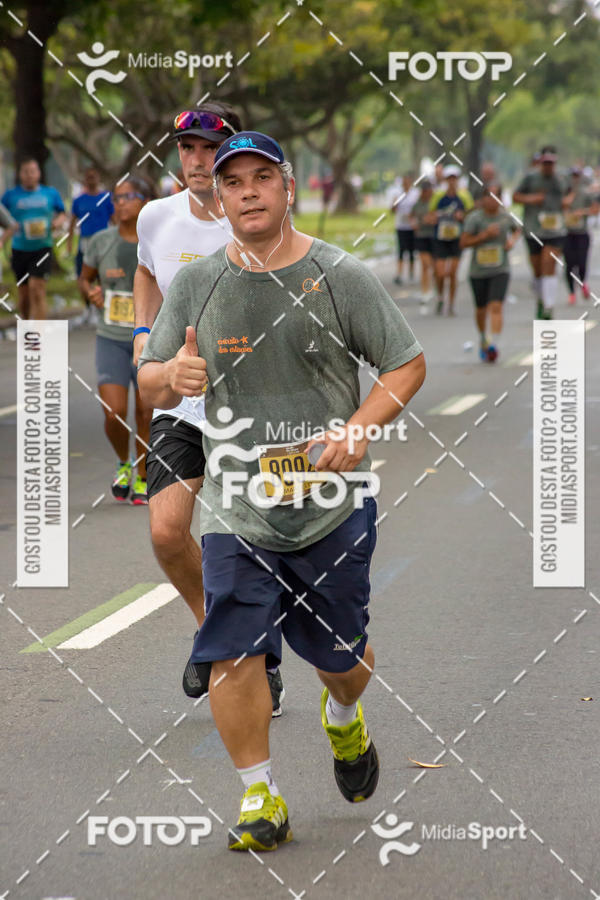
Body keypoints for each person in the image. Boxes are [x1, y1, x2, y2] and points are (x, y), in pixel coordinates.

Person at [138, 130, 426, 852]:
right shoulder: (198, 283)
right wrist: (171, 376)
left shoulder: (338, 274)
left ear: (286, 187)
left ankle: (343, 716)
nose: (247, 192)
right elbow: (147, 372)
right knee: (233, 645)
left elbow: (405, 364)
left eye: (261, 178)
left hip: (331, 502)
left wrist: (358, 429)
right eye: (233, 182)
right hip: (237, 503)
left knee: (343, 665)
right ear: (220, 196)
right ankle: (260, 796)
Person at [132, 103, 285, 714]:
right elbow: (147, 272)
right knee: (168, 532)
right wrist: (147, 334)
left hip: (253, 407)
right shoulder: (154, 217)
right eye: (187, 149)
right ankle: (212, 632)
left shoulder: (251, 217)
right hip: (181, 400)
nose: (197, 160)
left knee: (244, 542)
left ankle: (254, 656)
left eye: (208, 149)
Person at [80, 177, 154, 504]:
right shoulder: (100, 241)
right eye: (117, 197)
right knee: (115, 412)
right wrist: (91, 293)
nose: (121, 202)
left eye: (129, 196)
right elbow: (85, 279)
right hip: (111, 337)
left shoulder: (157, 241)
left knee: (146, 412)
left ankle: (142, 474)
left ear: (145, 200)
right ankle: (123, 463)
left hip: (151, 336)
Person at [460, 183, 520, 362]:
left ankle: (494, 344)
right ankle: (483, 338)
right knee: (481, 309)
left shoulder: (505, 217)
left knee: (496, 306)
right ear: (483, 199)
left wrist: (512, 241)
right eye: (488, 196)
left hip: (500, 269)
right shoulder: (475, 219)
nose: (492, 200)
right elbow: (463, 243)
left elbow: (517, 230)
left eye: (496, 196)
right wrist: (484, 236)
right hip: (478, 271)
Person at [1, 158, 66, 319]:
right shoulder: (11, 195)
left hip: (43, 248)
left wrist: (57, 223)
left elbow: (62, 213)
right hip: (19, 249)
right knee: (24, 296)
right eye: (26, 172)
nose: (29, 175)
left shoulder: (50, 193)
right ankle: (26, 325)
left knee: (37, 289)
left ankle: (38, 335)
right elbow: (2, 217)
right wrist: (7, 232)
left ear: (38, 173)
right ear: (20, 174)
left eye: (33, 171)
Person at [513, 146, 573, 320]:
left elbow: (570, 192)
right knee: (538, 268)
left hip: (555, 230)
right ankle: (541, 300)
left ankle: (549, 306)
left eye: (551, 164)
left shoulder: (562, 178)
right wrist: (532, 199)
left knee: (549, 263)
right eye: (545, 163)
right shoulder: (530, 178)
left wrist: (566, 202)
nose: (548, 167)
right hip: (533, 229)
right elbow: (516, 196)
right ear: (541, 163)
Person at [67, 166, 114, 322]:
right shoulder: (79, 200)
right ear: (85, 179)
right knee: (83, 278)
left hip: (104, 243)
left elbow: (115, 220)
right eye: (88, 177)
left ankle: (101, 308)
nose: (91, 179)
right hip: (85, 243)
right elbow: (72, 223)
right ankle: (88, 307)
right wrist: (69, 244)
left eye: (94, 176)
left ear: (98, 178)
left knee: (103, 276)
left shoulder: (106, 197)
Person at [430, 165, 473, 316]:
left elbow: (472, 215)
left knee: (453, 273)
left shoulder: (464, 196)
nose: (452, 181)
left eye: (454, 178)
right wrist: (436, 217)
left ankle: (452, 303)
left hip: (456, 239)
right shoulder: (438, 196)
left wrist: (463, 217)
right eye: (449, 178)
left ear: (458, 179)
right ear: (445, 180)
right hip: (441, 238)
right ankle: (440, 297)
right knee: (441, 273)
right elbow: (430, 216)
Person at [563, 167, 598, 305]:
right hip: (567, 233)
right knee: (569, 264)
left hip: (582, 233)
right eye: (573, 176)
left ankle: (583, 283)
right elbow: (561, 205)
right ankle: (571, 292)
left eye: (577, 176)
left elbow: (595, 210)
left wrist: (581, 212)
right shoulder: (564, 193)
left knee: (581, 263)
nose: (575, 179)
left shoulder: (586, 194)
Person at [387, 173, 419, 285]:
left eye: (407, 182)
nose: (405, 184)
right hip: (401, 226)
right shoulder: (397, 194)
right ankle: (399, 273)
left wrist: (413, 216)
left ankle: (411, 272)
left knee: (411, 250)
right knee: (401, 250)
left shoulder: (415, 194)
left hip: (412, 226)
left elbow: (418, 209)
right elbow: (392, 210)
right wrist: (395, 204)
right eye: (404, 182)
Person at [409, 179, 436, 309]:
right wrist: (414, 224)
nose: (426, 192)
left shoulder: (435, 202)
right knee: (425, 265)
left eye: (428, 190)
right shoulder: (418, 204)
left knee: (434, 265)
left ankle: (435, 288)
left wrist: (433, 219)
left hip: (434, 236)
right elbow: (411, 216)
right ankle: (425, 290)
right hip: (421, 236)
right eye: (424, 190)